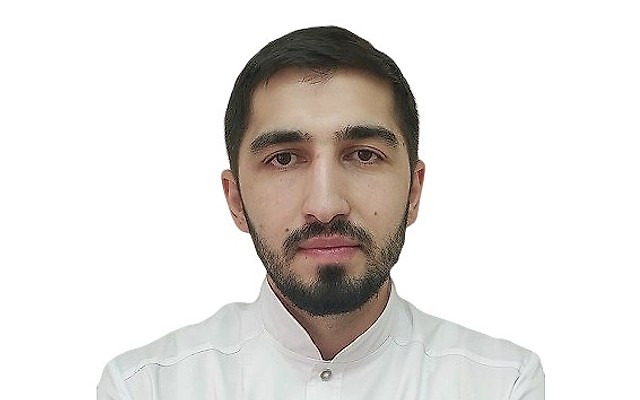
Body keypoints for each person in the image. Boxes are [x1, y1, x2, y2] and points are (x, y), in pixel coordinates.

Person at [97, 26, 544, 399]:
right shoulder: (145, 387)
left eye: (364, 155)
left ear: (414, 191)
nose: (326, 206)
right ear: (235, 200)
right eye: (284, 159)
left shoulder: (502, 384)